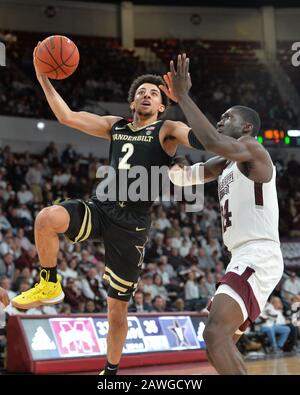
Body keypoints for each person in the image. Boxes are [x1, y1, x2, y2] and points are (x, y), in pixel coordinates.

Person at [11, 45, 205, 375]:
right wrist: (43, 76)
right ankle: (49, 283)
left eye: (153, 93)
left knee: (117, 309)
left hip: (132, 225)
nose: (146, 95)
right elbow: (67, 116)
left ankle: (110, 371)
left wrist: (184, 99)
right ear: (132, 103)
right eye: (140, 92)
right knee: (47, 218)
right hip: (102, 208)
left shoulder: (167, 130)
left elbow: (203, 139)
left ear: (161, 104)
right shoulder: (115, 125)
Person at [165, 54, 283, 374]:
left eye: (226, 117)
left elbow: (211, 141)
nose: (220, 120)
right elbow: (190, 174)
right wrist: (159, 160)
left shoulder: (253, 149)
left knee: (215, 333)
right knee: (218, 342)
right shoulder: (227, 164)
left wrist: (183, 97)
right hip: (242, 256)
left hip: (258, 253)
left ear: (245, 127)